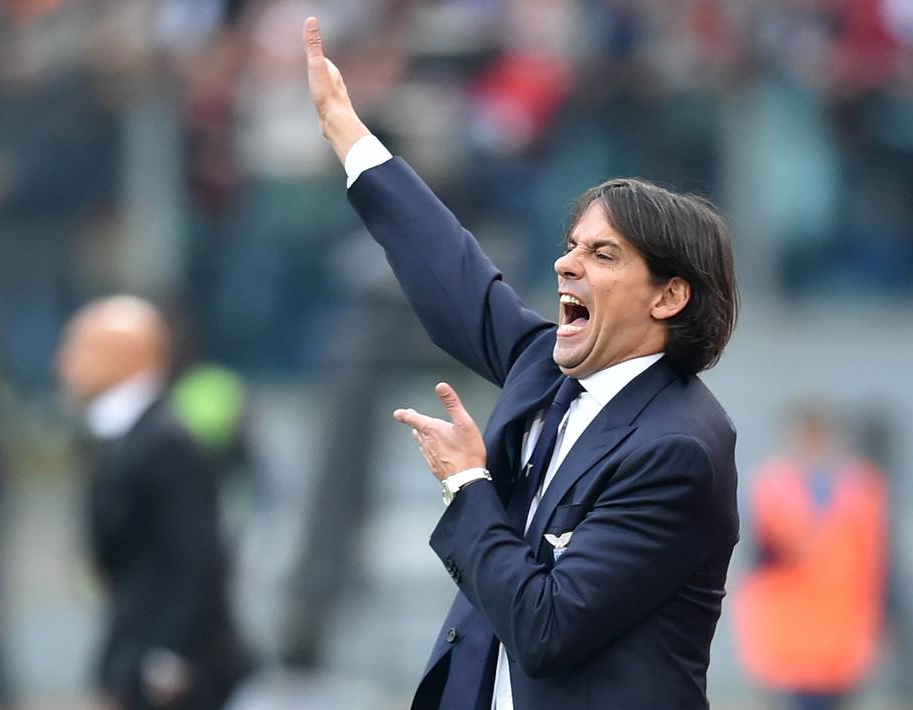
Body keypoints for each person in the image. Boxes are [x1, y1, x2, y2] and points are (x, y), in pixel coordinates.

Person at [303, 17, 741, 709]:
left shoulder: (676, 447)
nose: (566, 262)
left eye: (602, 254)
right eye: (572, 244)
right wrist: (347, 135)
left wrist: (469, 484)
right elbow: (450, 274)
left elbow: (546, 627)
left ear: (668, 295)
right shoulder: (549, 370)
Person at [56, 296, 251, 710]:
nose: (64, 362)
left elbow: (199, 556)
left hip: (171, 670)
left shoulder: (165, 442)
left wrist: (169, 654)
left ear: (124, 356)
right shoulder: (123, 435)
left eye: (80, 347)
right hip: (136, 648)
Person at [735, 406, 888, 710]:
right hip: (789, 632)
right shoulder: (769, 487)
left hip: (842, 633)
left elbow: (877, 562)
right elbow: (754, 557)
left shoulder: (862, 488)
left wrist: (885, 617)